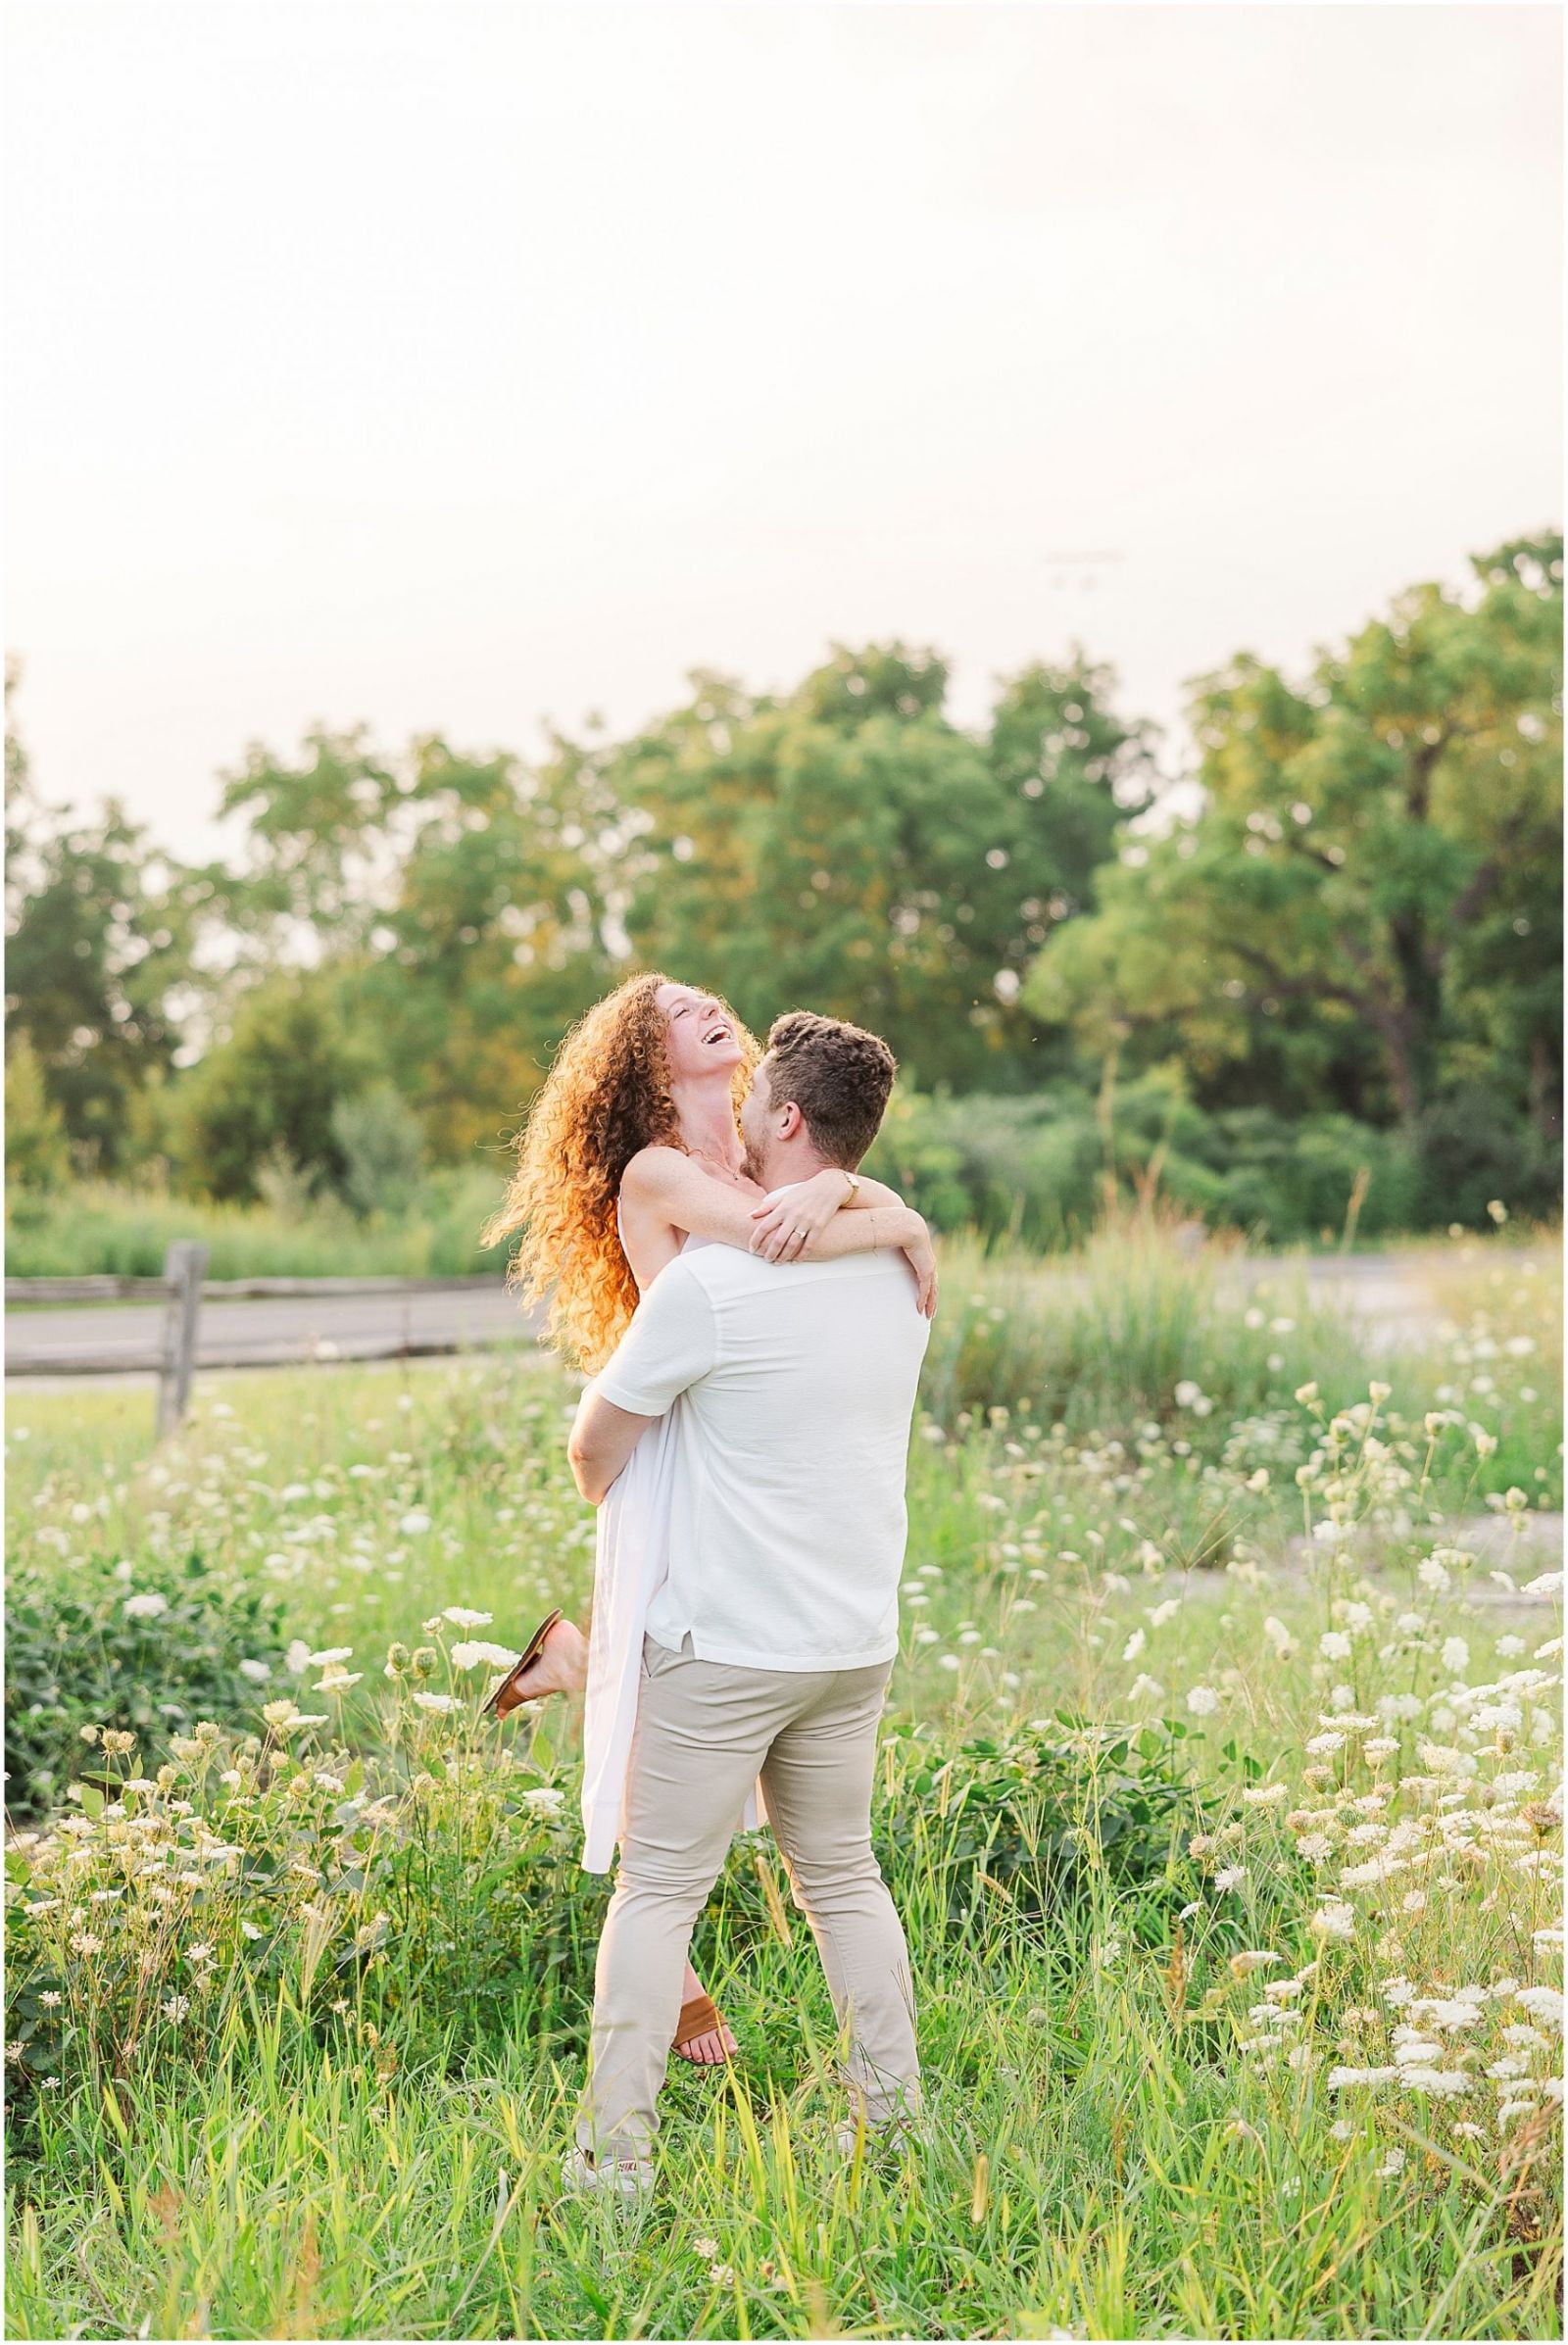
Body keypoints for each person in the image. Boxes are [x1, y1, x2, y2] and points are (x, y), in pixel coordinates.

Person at [478, 976, 936, 2068]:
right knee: (675, 1726)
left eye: (705, 1000)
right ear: (647, 1055)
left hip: (723, 1424)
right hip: (668, 1434)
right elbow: (780, 1237)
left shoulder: (748, 1149)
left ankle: (573, 1658)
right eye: (678, 1012)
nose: (706, 1010)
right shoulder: (661, 1169)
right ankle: (671, 1993)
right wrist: (893, 1219)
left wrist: (852, 1194)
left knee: (677, 1702)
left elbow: (808, 1195)